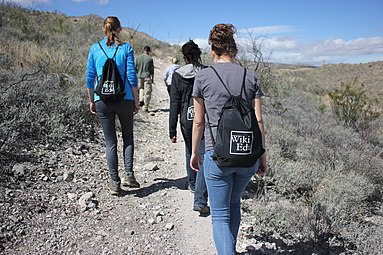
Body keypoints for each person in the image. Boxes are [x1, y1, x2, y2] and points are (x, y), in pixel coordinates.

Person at [190, 24, 267, 254]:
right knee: (234, 205)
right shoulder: (250, 76)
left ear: (212, 50)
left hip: (217, 155)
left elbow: (198, 122)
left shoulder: (203, 77)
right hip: (247, 156)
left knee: (220, 216)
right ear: (234, 49)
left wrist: (195, 152)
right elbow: (259, 121)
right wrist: (262, 155)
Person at [85, 16, 141, 196]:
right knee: (128, 137)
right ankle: (129, 175)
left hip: (102, 99)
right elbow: (131, 76)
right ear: (119, 30)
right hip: (124, 98)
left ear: (104, 29)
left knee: (110, 142)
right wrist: (135, 99)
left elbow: (89, 77)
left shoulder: (95, 48)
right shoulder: (126, 48)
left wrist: (92, 100)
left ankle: (114, 182)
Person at [169, 40, 209, 215]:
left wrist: (171, 129)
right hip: (205, 117)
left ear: (184, 57)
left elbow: (174, 102)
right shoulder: (207, 72)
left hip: (186, 118)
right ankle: (200, 190)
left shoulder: (178, 75)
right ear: (199, 54)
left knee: (189, 149)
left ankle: (192, 183)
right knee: (203, 153)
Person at [135, 46, 154, 112]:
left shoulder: (138, 58)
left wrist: (137, 73)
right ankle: (145, 107)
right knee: (147, 92)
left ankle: (140, 99)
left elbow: (135, 67)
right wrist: (152, 79)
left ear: (143, 50)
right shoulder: (150, 59)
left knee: (141, 88)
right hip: (147, 76)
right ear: (149, 51)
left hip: (139, 76)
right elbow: (152, 70)